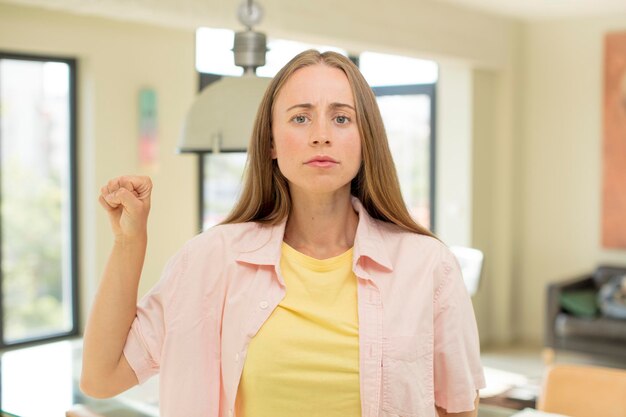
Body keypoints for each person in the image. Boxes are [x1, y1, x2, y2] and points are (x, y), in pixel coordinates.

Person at [81, 50, 485, 417]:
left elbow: (458, 409)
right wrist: (128, 243)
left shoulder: (428, 266)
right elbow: (102, 377)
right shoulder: (210, 260)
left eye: (342, 118)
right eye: (300, 117)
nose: (321, 134)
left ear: (366, 141)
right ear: (271, 142)